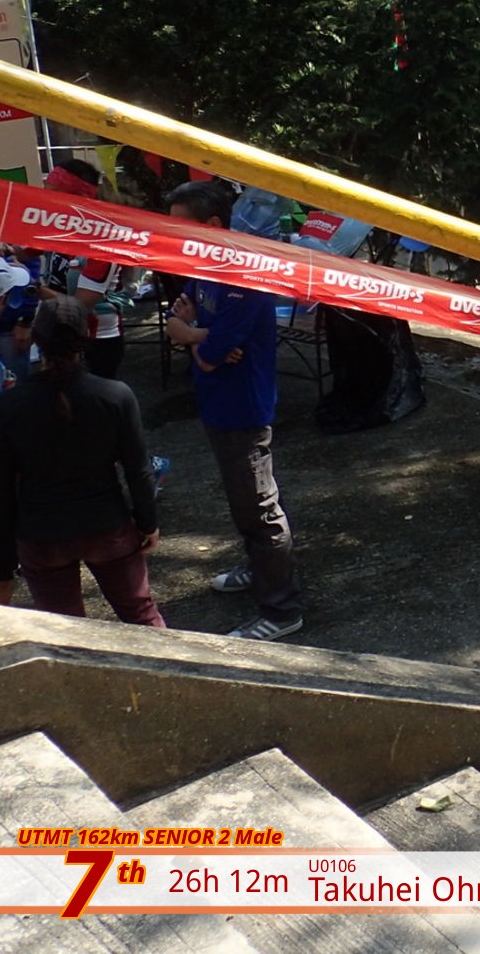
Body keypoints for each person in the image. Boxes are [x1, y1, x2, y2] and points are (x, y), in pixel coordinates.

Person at [163, 179, 305, 641]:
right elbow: (182, 315)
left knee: (260, 508)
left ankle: (282, 610)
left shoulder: (246, 278)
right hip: (217, 401)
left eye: (183, 225)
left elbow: (203, 350)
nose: (176, 234)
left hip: (244, 408)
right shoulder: (206, 265)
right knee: (243, 501)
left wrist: (193, 337)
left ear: (212, 224)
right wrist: (203, 335)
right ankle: (258, 568)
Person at [0, 296, 164, 627]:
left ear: (36, 339)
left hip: (41, 534)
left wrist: (5, 553)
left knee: (65, 630)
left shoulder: (9, 405)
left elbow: (1, 485)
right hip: (107, 526)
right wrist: (148, 523)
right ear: (87, 335)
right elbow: (138, 468)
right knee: (141, 615)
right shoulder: (116, 395)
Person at [41, 159, 131, 379]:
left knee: (91, 399)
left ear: (79, 198)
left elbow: (80, 305)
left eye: (54, 193)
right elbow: (21, 252)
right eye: (45, 191)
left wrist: (34, 289)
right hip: (59, 333)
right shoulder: (57, 227)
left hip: (95, 341)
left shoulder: (103, 242)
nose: (46, 200)